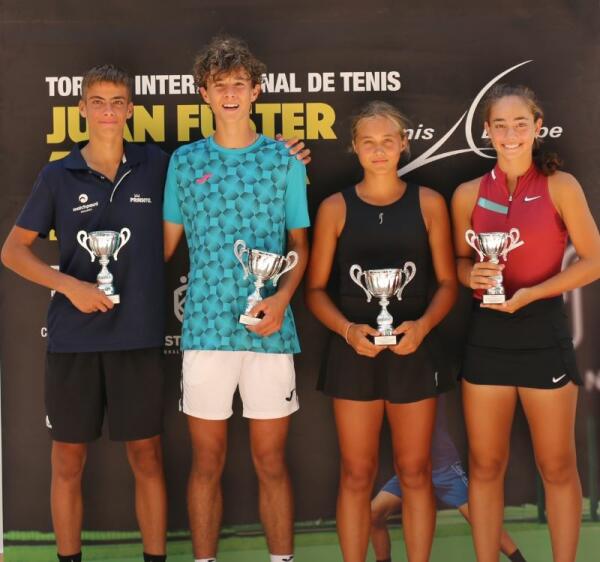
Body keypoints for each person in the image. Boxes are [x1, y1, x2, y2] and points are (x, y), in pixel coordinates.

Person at [1, 64, 169, 562]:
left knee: (148, 458)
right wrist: (69, 285)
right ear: (82, 109)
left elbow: (217, 170)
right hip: (74, 341)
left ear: (131, 109)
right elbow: (13, 251)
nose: (109, 111)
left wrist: (281, 156)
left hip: (137, 337)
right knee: (68, 462)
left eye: (118, 101)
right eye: (98, 101)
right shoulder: (57, 175)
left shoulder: (158, 165)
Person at [163, 36, 309, 562]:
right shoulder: (183, 162)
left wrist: (282, 300)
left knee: (271, 461)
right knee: (207, 461)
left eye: (239, 84)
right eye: (219, 85)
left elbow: (300, 245)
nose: (229, 93)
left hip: (271, 331)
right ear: (204, 92)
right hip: (204, 328)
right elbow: (163, 247)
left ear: (256, 91)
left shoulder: (284, 159)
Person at [451, 83, 600, 562]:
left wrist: (533, 292)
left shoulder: (562, 186)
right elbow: (455, 262)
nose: (510, 134)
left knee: (557, 465)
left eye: (520, 124)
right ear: (486, 131)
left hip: (542, 330)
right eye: (500, 125)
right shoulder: (467, 193)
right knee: (485, 464)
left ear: (537, 128)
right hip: (487, 334)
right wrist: (469, 272)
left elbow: (594, 262)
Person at [305, 100, 458, 562]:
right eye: (368, 142)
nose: (378, 150)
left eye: (387, 141)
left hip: (414, 346)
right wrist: (349, 331)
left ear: (404, 144)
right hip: (353, 352)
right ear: (354, 147)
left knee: (415, 471)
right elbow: (314, 290)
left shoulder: (429, 202)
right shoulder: (336, 207)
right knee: (356, 473)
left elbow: (449, 283)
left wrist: (424, 327)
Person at [370, 396, 527, 562]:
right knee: (373, 514)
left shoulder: (428, 377)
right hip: (412, 468)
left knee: (480, 520)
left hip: (444, 467)